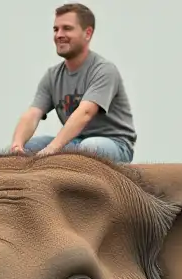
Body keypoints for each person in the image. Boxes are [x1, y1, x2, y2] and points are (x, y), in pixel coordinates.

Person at [10, 4, 136, 163]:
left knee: (88, 148)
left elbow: (85, 113)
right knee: (30, 146)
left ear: (88, 33)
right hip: (75, 142)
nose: (59, 35)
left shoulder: (104, 70)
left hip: (114, 144)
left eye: (67, 28)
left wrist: (52, 149)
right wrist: (17, 145)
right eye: (56, 29)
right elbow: (33, 114)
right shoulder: (52, 76)